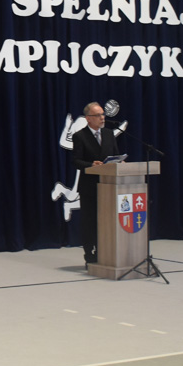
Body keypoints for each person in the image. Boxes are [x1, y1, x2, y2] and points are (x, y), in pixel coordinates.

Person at [72, 101, 120, 265]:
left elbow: (115, 154)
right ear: (88, 118)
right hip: (89, 187)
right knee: (90, 221)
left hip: (109, 186)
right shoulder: (80, 136)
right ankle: (90, 254)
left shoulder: (108, 134)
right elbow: (76, 161)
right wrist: (91, 164)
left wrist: (120, 162)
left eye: (103, 114)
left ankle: (104, 252)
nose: (102, 118)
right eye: (98, 115)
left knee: (107, 220)